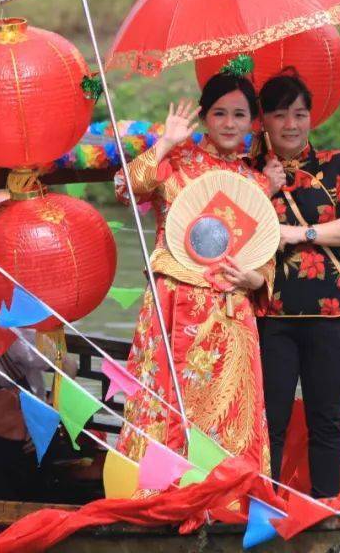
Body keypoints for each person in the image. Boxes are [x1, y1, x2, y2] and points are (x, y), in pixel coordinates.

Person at [114, 73, 275, 476]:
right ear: (204, 118)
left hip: (228, 310)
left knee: (226, 407)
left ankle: (227, 496)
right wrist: (165, 143)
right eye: (219, 113)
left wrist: (253, 281)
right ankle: (155, 487)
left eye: (239, 114)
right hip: (171, 302)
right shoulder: (177, 161)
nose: (229, 123)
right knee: (163, 399)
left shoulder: (254, 183)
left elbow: (264, 258)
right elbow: (124, 188)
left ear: (252, 123)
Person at [255, 73, 340, 499]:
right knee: (272, 421)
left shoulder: (338, 165)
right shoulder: (249, 173)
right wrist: (264, 186)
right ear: (262, 121)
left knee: (326, 419)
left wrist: (298, 234)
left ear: (311, 118)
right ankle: (265, 505)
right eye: (280, 114)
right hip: (271, 317)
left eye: (299, 114)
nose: (290, 124)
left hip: (331, 313)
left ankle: (326, 508)